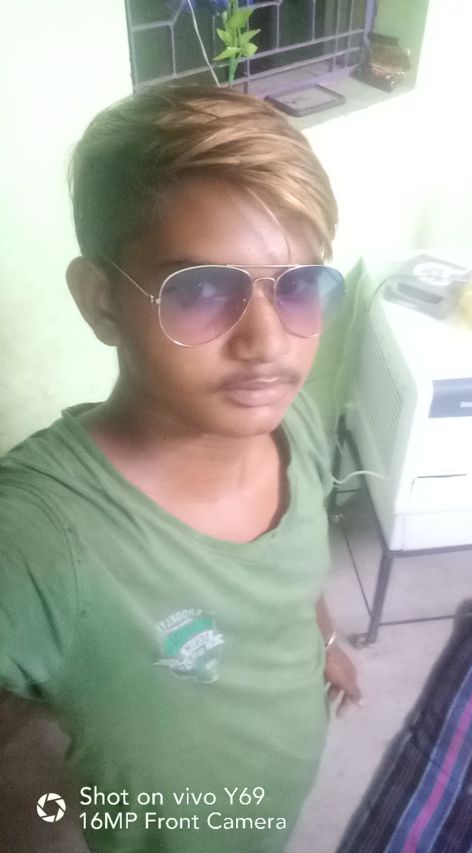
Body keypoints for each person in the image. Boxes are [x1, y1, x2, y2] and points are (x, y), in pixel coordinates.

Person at [0, 82, 361, 853]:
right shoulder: (41, 539)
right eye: (199, 289)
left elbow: (295, 573)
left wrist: (324, 641)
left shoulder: (291, 419)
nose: (268, 342)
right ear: (102, 301)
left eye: (300, 286)